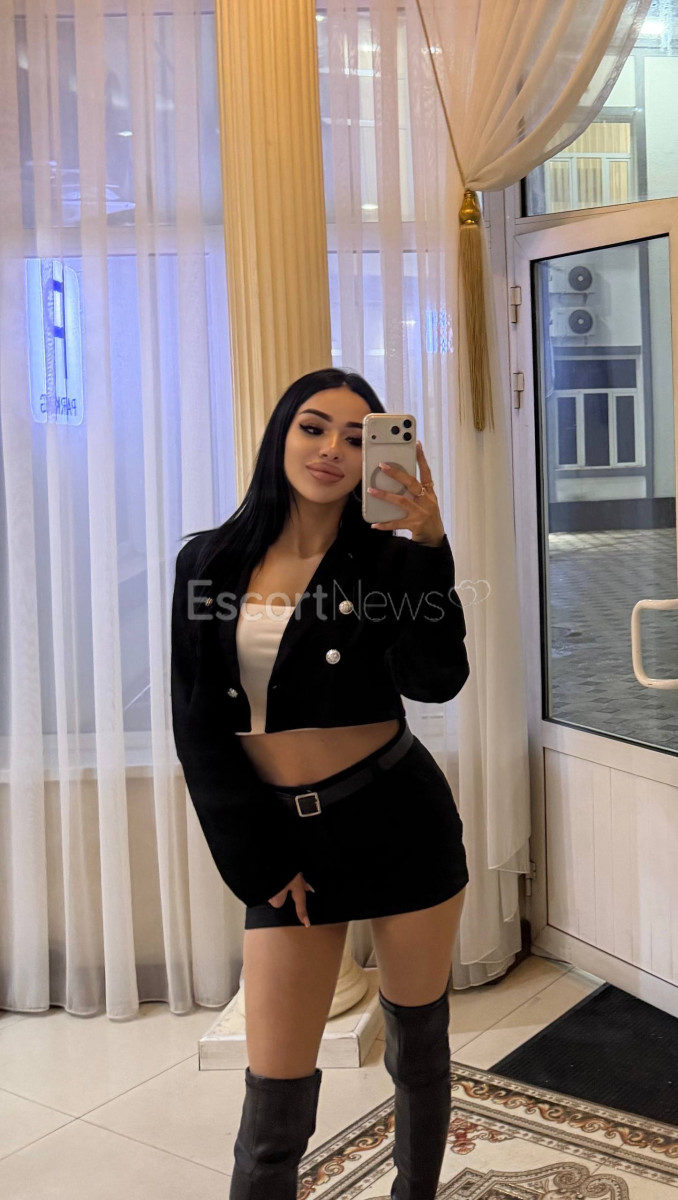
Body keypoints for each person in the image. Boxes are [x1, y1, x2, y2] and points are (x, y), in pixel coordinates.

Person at [171, 367, 470, 1199]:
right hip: (285, 836)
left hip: (399, 817)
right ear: (281, 436)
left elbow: (437, 680)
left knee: (418, 1046)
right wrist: (259, 863)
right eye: (313, 427)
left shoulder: (389, 561)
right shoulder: (209, 561)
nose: (333, 448)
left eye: (357, 436)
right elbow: (197, 725)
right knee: (274, 1102)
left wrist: (430, 551)